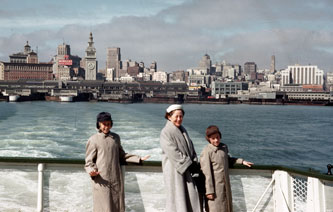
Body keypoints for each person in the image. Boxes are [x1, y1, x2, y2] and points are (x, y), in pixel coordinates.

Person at [85, 112, 150, 212]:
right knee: (103, 208)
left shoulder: (116, 138)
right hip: (101, 180)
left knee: (117, 206)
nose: (106, 127)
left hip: (116, 178)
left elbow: (122, 155)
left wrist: (138, 159)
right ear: (98, 124)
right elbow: (89, 161)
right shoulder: (93, 140)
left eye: (108, 124)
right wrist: (92, 171)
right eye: (104, 124)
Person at [200, 125, 253, 212]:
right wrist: (209, 191)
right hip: (215, 189)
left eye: (217, 137)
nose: (216, 140)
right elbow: (206, 173)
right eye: (213, 138)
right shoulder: (206, 151)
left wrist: (242, 161)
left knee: (227, 208)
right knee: (215, 209)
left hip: (226, 187)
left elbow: (227, 159)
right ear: (208, 139)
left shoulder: (223, 147)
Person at [160, 104, 202, 212]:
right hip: (175, 171)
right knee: (177, 200)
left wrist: (194, 161)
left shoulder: (183, 130)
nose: (179, 119)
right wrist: (189, 164)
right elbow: (173, 152)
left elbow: (191, 148)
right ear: (169, 117)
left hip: (186, 169)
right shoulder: (165, 132)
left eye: (181, 116)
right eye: (176, 116)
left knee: (189, 198)